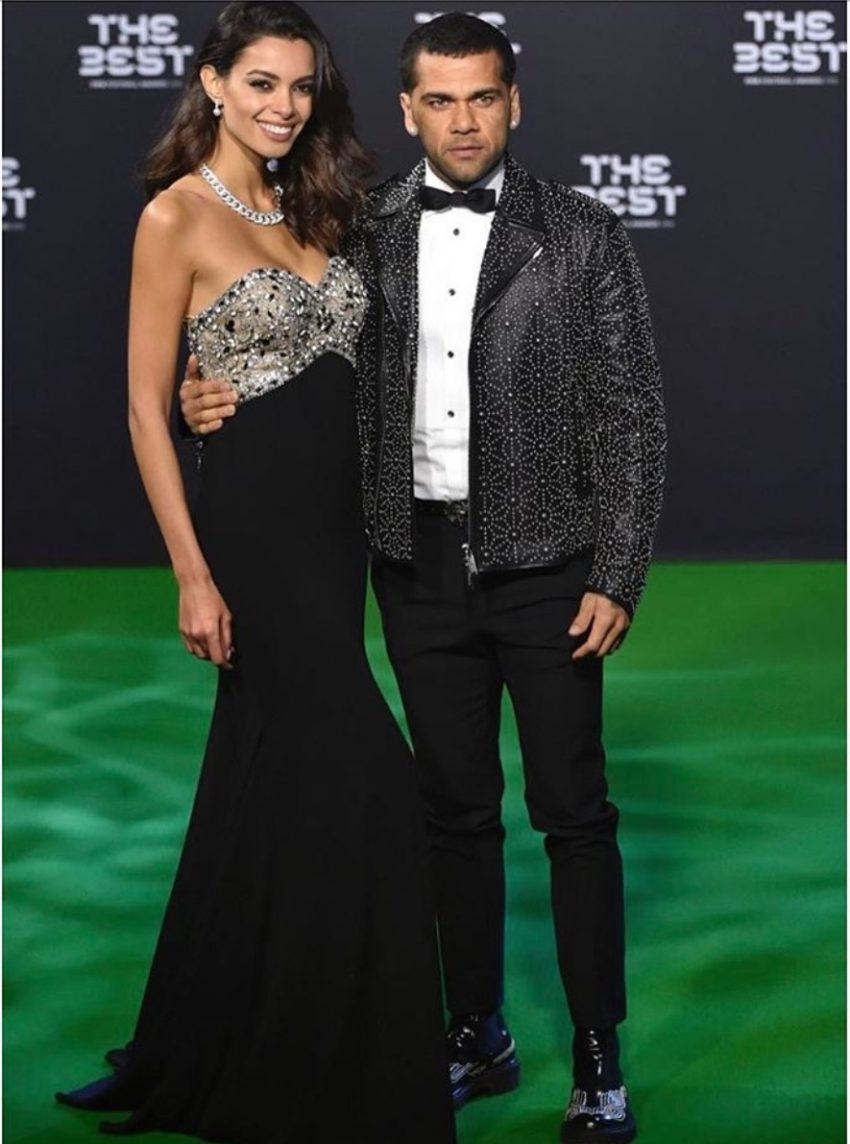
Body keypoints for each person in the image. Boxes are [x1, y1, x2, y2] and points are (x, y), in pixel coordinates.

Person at [182, 13, 666, 1143]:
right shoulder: (361, 229)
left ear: (514, 103)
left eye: (482, 97)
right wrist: (201, 397)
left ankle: (598, 1054)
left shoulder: (582, 232)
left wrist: (618, 571)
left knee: (573, 814)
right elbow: (294, 353)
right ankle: (476, 1030)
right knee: (452, 812)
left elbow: (632, 415)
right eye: (439, 101)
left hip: (550, 573)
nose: (463, 121)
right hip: (416, 570)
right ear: (406, 111)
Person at [54, 4, 457, 1142]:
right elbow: (147, 409)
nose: (283, 105)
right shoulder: (174, 216)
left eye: (300, 86)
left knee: (258, 779)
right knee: (373, 785)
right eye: (262, 82)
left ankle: (191, 1040)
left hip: (336, 536)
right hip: (252, 533)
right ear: (213, 84)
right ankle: (339, 1066)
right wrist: (192, 572)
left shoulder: (323, 204)